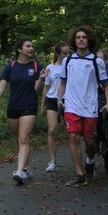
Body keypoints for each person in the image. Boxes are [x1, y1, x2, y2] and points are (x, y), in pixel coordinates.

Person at [58, 26, 108, 187]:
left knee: (90, 141)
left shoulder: (97, 61)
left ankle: (90, 159)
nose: (81, 39)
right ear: (74, 41)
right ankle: (80, 174)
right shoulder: (67, 61)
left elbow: (107, 85)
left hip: (90, 106)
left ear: (89, 40)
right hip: (71, 105)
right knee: (73, 137)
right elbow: (63, 82)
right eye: (78, 37)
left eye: (84, 37)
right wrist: (60, 98)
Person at [0, 39, 43, 184]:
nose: (31, 48)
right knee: (19, 139)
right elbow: (2, 85)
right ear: (20, 50)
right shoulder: (11, 66)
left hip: (29, 106)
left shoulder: (36, 67)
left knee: (23, 139)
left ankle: (20, 171)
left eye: (32, 46)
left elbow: (37, 90)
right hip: (13, 106)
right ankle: (26, 167)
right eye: (28, 46)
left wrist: (41, 79)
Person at [40, 42, 70, 172]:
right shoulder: (50, 67)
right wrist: (43, 105)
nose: (67, 55)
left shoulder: (71, 66)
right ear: (58, 54)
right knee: (52, 130)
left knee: (72, 133)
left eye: (69, 53)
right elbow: (46, 88)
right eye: (64, 53)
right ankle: (52, 161)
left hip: (68, 100)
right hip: (52, 100)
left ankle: (77, 158)